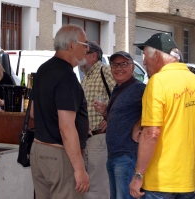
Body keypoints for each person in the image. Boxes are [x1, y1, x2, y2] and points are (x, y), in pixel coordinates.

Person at [130, 33, 195, 198]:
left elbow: (152, 133)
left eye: (145, 56)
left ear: (158, 56)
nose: (143, 62)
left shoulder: (157, 82)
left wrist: (138, 175)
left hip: (159, 183)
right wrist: (194, 172)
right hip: (187, 182)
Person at [29, 24, 90, 199]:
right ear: (71, 45)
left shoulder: (43, 69)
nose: (87, 49)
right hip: (59, 154)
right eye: (84, 44)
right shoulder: (66, 75)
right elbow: (66, 127)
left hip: (39, 149)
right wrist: (79, 170)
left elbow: (33, 111)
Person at [93, 51, 146, 199]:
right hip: (114, 155)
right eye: (115, 65)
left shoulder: (139, 89)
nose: (119, 68)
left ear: (132, 67)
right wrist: (105, 112)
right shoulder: (118, 88)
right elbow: (118, 121)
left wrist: (139, 125)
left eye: (123, 64)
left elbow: (154, 111)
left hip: (128, 156)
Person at [80, 41, 115, 199]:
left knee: (98, 188)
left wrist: (110, 117)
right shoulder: (87, 76)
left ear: (93, 56)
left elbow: (120, 96)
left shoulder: (104, 70)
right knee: (90, 186)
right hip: (88, 138)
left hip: (100, 137)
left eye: (84, 52)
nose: (80, 57)